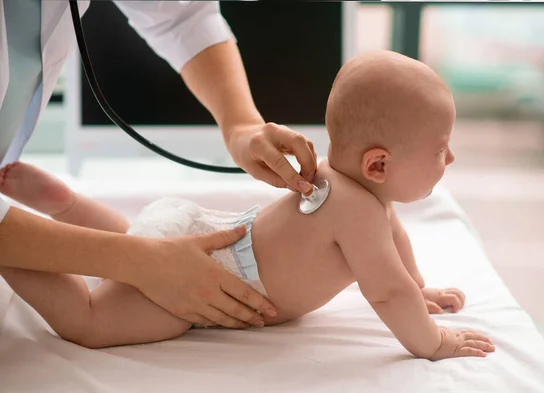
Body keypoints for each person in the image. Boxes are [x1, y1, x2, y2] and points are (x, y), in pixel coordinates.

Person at [0, 51, 496, 360]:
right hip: (211, 277)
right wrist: (433, 341)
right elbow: (387, 293)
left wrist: (419, 289)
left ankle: (67, 208)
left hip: (194, 228)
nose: (450, 158)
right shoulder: (360, 212)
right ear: (379, 166)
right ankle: (15, 254)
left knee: (136, 245)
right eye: (440, 149)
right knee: (89, 320)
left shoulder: (346, 187)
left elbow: (398, 259)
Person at [0, 1, 320, 329]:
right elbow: (379, 290)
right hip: (187, 238)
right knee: (94, 311)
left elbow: (180, 13)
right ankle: (26, 246)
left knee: (117, 265)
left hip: (185, 235)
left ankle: (62, 211)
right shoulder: (355, 207)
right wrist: (143, 261)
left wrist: (242, 125)